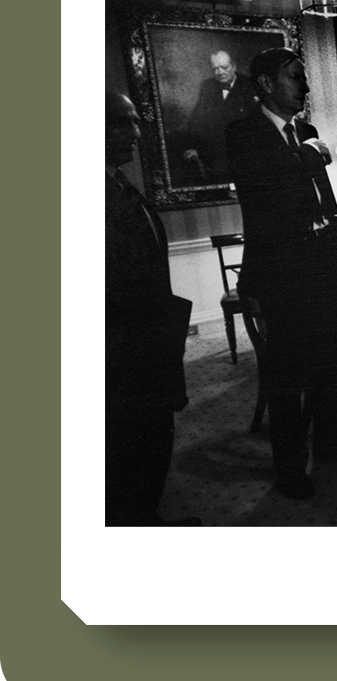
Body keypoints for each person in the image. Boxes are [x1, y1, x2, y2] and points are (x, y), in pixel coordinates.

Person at [225, 48, 337, 499]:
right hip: (280, 276)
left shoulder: (307, 132)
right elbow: (269, 196)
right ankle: (289, 468)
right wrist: (310, 159)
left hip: (320, 268)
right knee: (288, 377)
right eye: (296, 78)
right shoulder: (243, 134)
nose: (306, 87)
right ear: (266, 84)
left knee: (331, 366)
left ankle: (330, 443)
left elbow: (318, 199)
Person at [105, 90, 199, 526]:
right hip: (122, 349)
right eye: (119, 123)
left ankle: (145, 518)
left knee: (151, 437)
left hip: (147, 338)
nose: (134, 134)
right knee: (131, 442)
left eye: (136, 122)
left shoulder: (117, 182)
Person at [180, 50, 258, 183]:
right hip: (214, 152)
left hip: (245, 154)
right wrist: (193, 146)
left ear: (233, 66)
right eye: (215, 68)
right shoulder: (208, 86)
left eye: (224, 67)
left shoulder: (250, 86)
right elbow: (197, 118)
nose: (220, 72)